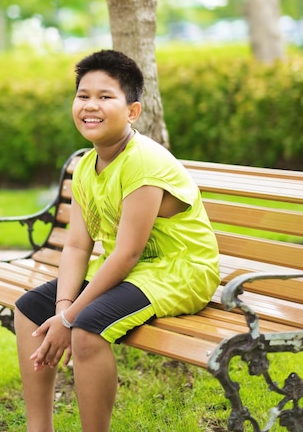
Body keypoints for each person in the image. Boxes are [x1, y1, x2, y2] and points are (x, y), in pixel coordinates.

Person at [14, 49, 220, 432]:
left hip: (180, 271)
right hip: (134, 272)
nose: (91, 106)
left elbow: (126, 254)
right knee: (29, 308)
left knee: (87, 330)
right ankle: (38, 428)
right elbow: (77, 246)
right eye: (83, 95)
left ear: (132, 111)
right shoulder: (85, 167)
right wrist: (61, 308)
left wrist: (70, 318)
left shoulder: (143, 161)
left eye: (105, 97)